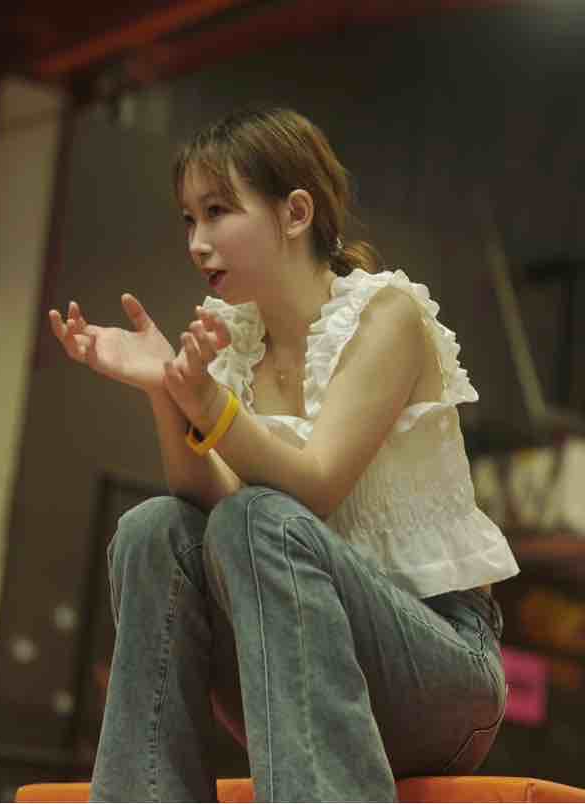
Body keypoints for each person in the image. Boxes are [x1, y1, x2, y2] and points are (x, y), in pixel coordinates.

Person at [49, 106, 520, 803]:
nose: (197, 242)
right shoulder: (233, 339)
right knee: (152, 528)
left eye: (218, 212)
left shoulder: (386, 316)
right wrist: (164, 392)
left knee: (260, 517)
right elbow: (204, 505)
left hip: (440, 679)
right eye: (188, 219)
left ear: (295, 212)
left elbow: (314, 485)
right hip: (292, 669)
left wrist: (208, 405)